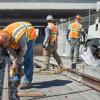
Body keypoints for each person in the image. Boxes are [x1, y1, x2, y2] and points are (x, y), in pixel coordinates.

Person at [0, 22, 38, 89]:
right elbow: (11, 52)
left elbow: (23, 50)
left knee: (27, 58)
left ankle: (27, 81)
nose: (8, 47)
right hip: (14, 37)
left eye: (7, 45)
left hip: (30, 34)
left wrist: (17, 62)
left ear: (8, 40)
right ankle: (16, 79)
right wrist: (14, 62)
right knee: (15, 60)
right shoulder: (3, 35)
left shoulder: (18, 36)